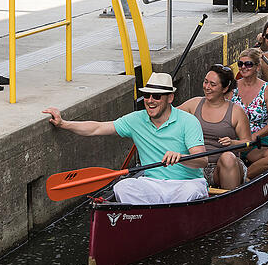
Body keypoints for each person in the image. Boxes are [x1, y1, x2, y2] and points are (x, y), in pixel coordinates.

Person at [43, 73, 209, 204]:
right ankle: (147, 217)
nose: (150, 101)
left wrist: (181, 157)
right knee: (122, 187)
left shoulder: (188, 121)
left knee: (189, 192)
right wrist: (63, 123)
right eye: (147, 95)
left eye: (157, 96)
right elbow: (97, 128)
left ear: (170, 98)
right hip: (153, 183)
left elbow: (202, 160)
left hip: (187, 183)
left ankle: (155, 216)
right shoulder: (136, 120)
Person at [177, 65, 252, 190]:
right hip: (196, 166)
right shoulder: (193, 104)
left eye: (212, 84)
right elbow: (170, 116)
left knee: (227, 157)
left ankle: (230, 197)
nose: (207, 87)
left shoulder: (236, 112)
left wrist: (233, 143)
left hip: (223, 167)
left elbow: (248, 143)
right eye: (205, 82)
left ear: (225, 88)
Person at [229, 48, 268, 179]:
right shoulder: (232, 87)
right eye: (240, 64)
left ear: (257, 67)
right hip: (234, 141)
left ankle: (243, 178)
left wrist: (253, 137)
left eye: (248, 64)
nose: (243, 67)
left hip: (257, 143)